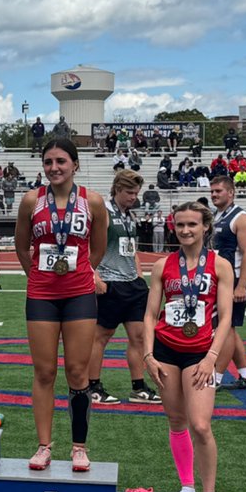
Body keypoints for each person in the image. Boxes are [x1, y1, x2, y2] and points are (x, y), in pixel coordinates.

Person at [15, 138, 108, 472]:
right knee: (44, 372)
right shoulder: (31, 201)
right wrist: (39, 276)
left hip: (79, 294)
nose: (54, 168)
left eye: (61, 162)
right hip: (41, 294)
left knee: (77, 371)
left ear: (75, 164)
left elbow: (97, 248)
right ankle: (44, 446)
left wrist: (81, 272)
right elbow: (21, 245)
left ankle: (79, 446)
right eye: (48, 162)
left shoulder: (93, 202)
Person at [142, 201, 235, 492]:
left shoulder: (220, 266)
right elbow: (151, 313)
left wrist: (212, 357)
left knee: (201, 424)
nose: (185, 230)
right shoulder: (162, 266)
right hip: (166, 350)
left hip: (200, 352)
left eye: (192, 224)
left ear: (205, 226)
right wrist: (148, 355)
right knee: (177, 421)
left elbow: (225, 320)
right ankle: (186, 488)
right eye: (180, 224)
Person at [88, 170, 160, 406]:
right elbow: (88, 246)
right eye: (129, 192)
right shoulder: (103, 212)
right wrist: (94, 275)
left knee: (139, 337)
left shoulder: (129, 215)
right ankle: (93, 386)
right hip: (110, 283)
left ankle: (138, 387)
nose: (133, 197)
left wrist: (140, 276)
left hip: (133, 284)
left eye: (136, 193)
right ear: (117, 189)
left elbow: (130, 249)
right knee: (101, 336)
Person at [210, 176, 246, 390]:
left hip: (235, 279)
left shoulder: (241, 218)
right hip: (220, 279)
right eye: (212, 191)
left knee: (225, 327)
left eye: (219, 191)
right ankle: (245, 375)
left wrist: (241, 285)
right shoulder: (217, 216)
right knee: (230, 328)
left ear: (231, 192)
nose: (214, 195)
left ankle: (217, 377)